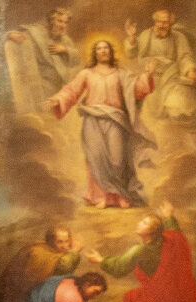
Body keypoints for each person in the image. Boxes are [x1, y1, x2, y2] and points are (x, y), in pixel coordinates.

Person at [45, 40, 155, 208]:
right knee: (95, 158)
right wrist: (57, 99)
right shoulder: (87, 73)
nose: (103, 51)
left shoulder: (120, 73)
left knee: (117, 159)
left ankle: (120, 195)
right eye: (99, 49)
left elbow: (137, 91)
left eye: (106, 48)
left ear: (110, 52)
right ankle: (102, 196)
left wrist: (147, 75)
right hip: (92, 119)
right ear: (95, 53)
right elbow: (72, 90)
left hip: (115, 119)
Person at [0, 226, 84, 302]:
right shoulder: (39, 252)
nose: (64, 246)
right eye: (60, 242)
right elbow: (63, 267)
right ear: (51, 242)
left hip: (36, 297)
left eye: (67, 241)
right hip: (22, 296)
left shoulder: (52, 252)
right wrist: (74, 252)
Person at [125, 10, 196, 127]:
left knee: (177, 105)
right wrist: (132, 38)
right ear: (155, 22)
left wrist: (190, 70)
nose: (161, 26)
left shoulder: (178, 37)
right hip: (150, 78)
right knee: (148, 113)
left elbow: (185, 56)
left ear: (171, 24)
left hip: (171, 77)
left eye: (165, 23)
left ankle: (190, 130)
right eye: (159, 22)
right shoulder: (146, 35)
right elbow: (131, 54)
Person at [3, 8, 78, 113]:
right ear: (51, 21)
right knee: (40, 115)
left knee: (52, 118)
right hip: (39, 84)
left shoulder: (65, 40)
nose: (63, 25)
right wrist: (10, 35)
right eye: (59, 21)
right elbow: (10, 35)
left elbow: (76, 60)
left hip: (57, 86)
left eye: (65, 22)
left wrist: (65, 50)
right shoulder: (36, 33)